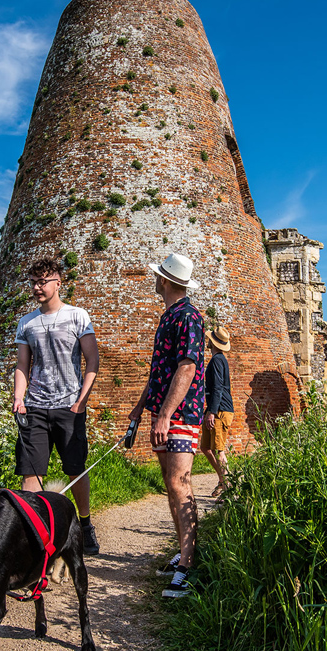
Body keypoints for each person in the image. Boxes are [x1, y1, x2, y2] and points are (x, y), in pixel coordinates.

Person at [128, 253, 206, 598]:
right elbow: (161, 369)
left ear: (166, 281)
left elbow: (187, 368)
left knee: (179, 484)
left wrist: (164, 415)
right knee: (171, 485)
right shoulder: (170, 316)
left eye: (159, 276)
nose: (156, 280)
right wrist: (142, 405)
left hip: (180, 415)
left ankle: (189, 565)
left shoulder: (188, 317)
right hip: (165, 412)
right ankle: (183, 553)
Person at [13, 256, 101, 555]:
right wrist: (18, 397)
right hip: (35, 406)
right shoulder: (26, 322)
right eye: (34, 283)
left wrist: (81, 399)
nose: (37, 288)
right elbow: (23, 364)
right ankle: (30, 538)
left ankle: (85, 525)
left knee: (75, 469)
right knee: (30, 472)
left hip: (69, 406)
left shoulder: (78, 316)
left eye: (43, 282)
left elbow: (93, 360)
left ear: (57, 283)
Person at [200, 324, 234, 497]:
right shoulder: (217, 360)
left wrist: (212, 412)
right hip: (214, 409)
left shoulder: (218, 360)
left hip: (221, 411)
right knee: (205, 447)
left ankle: (228, 488)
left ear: (212, 343)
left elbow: (219, 388)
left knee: (220, 450)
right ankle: (223, 480)